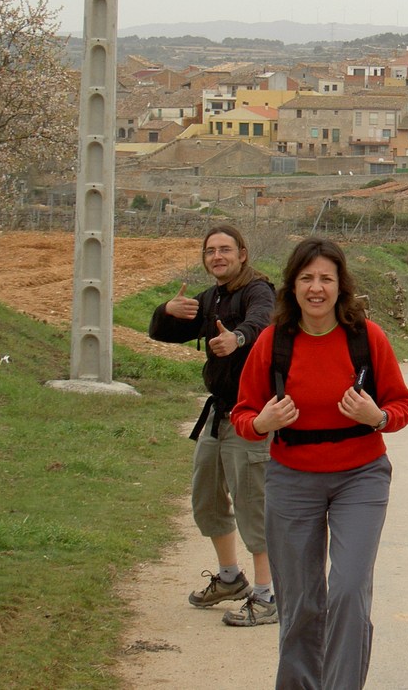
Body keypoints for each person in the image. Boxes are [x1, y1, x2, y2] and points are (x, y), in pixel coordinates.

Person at [232, 237, 408, 689]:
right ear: (292, 286)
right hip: (292, 478)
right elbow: (243, 414)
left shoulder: (367, 338)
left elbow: (402, 405)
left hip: (361, 478)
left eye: (326, 279)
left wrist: (377, 417)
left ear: (340, 285)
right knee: (301, 602)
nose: (316, 288)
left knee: (349, 591)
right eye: (307, 278)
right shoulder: (273, 342)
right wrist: (263, 423)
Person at [148, 224, 278, 627]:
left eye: (225, 249)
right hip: (218, 415)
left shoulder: (259, 290)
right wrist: (166, 312)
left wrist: (237, 339)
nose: (217, 257)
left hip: (253, 415)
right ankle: (230, 578)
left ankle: (268, 594)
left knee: (253, 504)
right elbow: (163, 333)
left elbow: (262, 323)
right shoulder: (211, 298)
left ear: (242, 253)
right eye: (210, 251)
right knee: (207, 498)